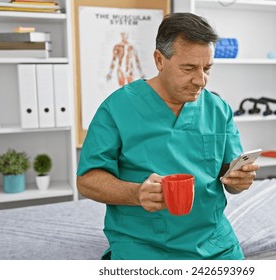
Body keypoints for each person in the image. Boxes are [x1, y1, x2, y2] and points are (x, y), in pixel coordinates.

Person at [77, 12, 259, 260]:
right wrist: (136, 193)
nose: (201, 80)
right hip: (143, 244)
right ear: (159, 60)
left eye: (207, 68)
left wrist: (239, 181)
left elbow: (229, 176)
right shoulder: (118, 108)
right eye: (189, 68)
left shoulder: (218, 109)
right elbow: (87, 180)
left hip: (214, 243)